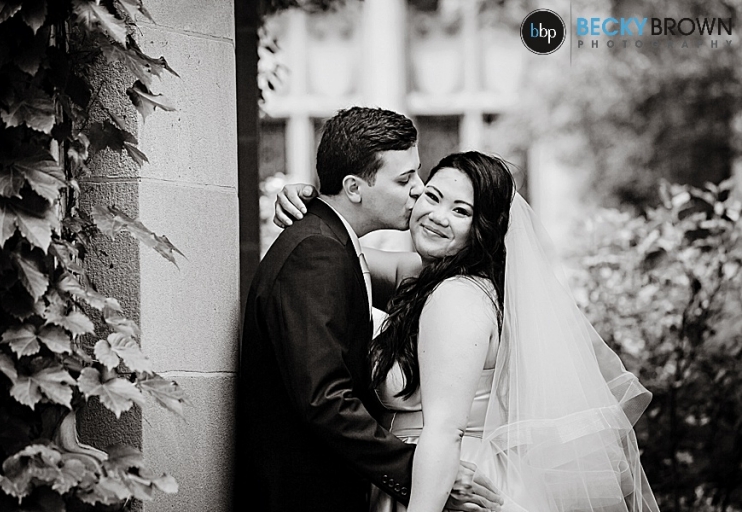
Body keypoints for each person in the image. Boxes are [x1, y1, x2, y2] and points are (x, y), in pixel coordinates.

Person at [275, 151, 660, 512]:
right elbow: (333, 247)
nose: (437, 216)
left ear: (483, 229)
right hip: (421, 475)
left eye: (460, 211)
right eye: (432, 197)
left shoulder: (457, 297)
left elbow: (445, 431)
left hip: (449, 485)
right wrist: (310, 202)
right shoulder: (420, 277)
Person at [235, 108, 503, 512]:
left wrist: (429, 477)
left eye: (461, 210)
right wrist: (308, 198)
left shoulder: (451, 290)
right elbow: (325, 399)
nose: (418, 192)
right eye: (408, 181)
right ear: (354, 187)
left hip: (448, 476)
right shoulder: (322, 252)